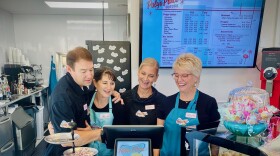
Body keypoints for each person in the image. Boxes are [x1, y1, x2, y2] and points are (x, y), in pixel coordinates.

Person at [45, 47, 122, 155]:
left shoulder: (84, 83)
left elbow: (99, 88)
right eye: (83, 71)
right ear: (69, 69)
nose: (89, 75)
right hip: (63, 152)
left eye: (91, 69)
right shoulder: (62, 98)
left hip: (82, 148)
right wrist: (99, 133)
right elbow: (66, 139)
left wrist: (112, 92)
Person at [157, 53, 220, 156]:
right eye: (176, 75)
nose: (179, 79)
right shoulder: (166, 102)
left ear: (196, 77)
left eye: (184, 75)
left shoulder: (208, 103)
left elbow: (214, 141)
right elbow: (158, 137)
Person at [88, 66, 126, 156]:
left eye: (112, 83)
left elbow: (119, 135)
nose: (109, 87)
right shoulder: (86, 99)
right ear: (95, 83)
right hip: (87, 151)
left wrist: (91, 133)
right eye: (105, 83)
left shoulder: (117, 104)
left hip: (110, 152)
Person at [121, 58, 166, 125]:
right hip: (128, 136)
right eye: (143, 73)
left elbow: (162, 130)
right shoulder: (124, 97)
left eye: (151, 76)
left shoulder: (163, 100)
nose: (145, 79)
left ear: (156, 77)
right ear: (138, 72)